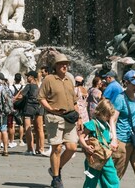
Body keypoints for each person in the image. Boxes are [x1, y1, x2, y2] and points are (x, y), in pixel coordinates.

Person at [39, 52, 78, 188]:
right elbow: (41, 97)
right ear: (55, 66)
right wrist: (50, 108)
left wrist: (80, 118)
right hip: (55, 117)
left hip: (70, 117)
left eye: (66, 64)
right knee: (56, 148)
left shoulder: (69, 80)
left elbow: (74, 101)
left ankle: (56, 168)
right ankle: (56, 177)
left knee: (72, 147)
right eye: (61, 64)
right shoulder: (49, 79)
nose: (64, 66)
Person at [79, 99, 119, 188]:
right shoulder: (93, 123)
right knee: (90, 181)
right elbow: (81, 137)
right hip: (94, 158)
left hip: (106, 157)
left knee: (112, 179)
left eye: (110, 115)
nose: (109, 118)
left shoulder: (106, 124)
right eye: (107, 115)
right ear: (101, 112)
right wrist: (86, 147)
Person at [16, 69, 41, 155]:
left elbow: (20, 96)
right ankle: (39, 148)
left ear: (32, 77)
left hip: (29, 108)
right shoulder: (38, 86)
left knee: (27, 128)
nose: (26, 78)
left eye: (28, 76)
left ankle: (30, 149)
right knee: (38, 129)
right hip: (38, 107)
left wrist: (14, 98)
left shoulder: (28, 86)